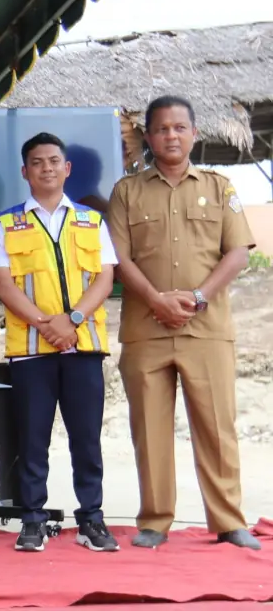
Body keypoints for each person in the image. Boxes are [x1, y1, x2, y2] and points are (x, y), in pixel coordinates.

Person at [107, 96, 260, 551]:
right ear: (148, 138)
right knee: (149, 429)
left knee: (217, 428)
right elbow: (117, 257)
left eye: (179, 128)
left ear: (194, 133)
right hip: (146, 328)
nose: (171, 136)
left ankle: (229, 521)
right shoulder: (127, 192)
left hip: (206, 328)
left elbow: (237, 253)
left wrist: (197, 297)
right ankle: (154, 521)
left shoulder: (220, 187)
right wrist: (156, 300)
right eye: (161, 129)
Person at [0, 132, 118, 553]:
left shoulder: (92, 220)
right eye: (37, 162)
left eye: (54, 161)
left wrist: (73, 320)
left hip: (83, 347)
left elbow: (105, 277)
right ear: (24, 172)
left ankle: (91, 519)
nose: (47, 168)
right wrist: (47, 325)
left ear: (67, 168)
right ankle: (32, 520)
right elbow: (3, 285)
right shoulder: (5, 223)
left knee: (86, 438)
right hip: (31, 350)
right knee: (32, 438)